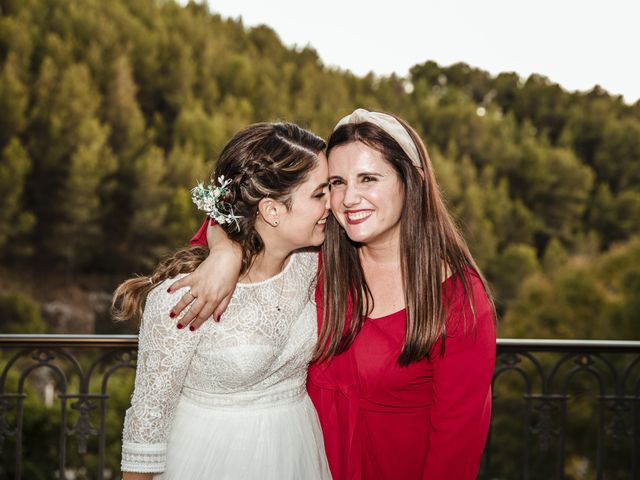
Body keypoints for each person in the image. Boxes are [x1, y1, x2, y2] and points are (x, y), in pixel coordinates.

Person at [171, 109, 497, 479]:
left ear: (414, 180)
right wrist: (225, 252)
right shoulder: (316, 261)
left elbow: (456, 450)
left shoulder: (459, 300)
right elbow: (240, 214)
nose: (348, 198)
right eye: (337, 183)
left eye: (368, 178)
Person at [113, 122, 332, 479]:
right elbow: (146, 423)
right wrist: (225, 251)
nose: (331, 205)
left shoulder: (311, 263)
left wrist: (225, 247)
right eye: (319, 194)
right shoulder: (184, 296)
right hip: (211, 458)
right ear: (272, 210)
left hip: (298, 450)